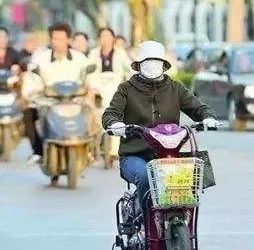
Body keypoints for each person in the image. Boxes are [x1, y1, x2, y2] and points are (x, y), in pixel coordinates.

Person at [102, 40, 220, 215]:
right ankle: (144, 217)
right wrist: (116, 124)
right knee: (144, 176)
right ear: (138, 65)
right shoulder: (126, 89)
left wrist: (208, 117)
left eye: (156, 62)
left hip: (170, 156)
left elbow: (198, 108)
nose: (152, 66)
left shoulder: (176, 88)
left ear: (164, 65)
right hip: (135, 155)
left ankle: (183, 222)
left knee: (189, 181)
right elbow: (110, 114)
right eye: (147, 62)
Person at [22, 22, 97, 164]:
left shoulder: (80, 58)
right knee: (29, 112)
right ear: (50, 40)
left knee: (93, 114)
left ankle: (90, 149)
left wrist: (91, 91)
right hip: (49, 101)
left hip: (75, 100)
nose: (58, 42)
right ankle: (38, 151)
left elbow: (91, 75)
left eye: (61, 39)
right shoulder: (41, 58)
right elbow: (32, 78)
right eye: (54, 39)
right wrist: (32, 91)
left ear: (69, 40)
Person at [88, 27, 133, 165]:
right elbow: (88, 72)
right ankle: (92, 149)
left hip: (115, 87)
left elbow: (130, 69)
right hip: (98, 90)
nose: (105, 39)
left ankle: (114, 150)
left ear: (113, 38)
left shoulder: (120, 53)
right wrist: (91, 87)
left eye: (108, 36)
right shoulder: (93, 54)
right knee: (92, 115)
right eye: (103, 36)